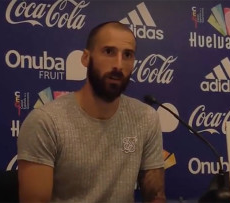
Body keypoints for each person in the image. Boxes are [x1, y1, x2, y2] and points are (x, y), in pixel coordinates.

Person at [17, 21, 165, 203]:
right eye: (109, 52)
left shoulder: (146, 117)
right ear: (86, 58)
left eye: (127, 55)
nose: (118, 65)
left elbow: (155, 197)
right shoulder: (46, 122)